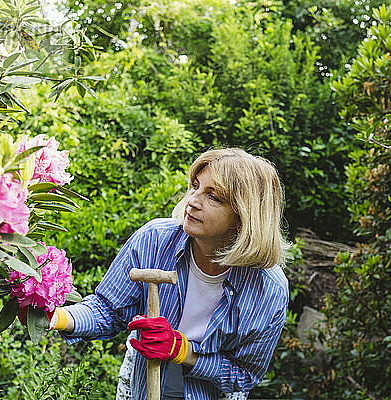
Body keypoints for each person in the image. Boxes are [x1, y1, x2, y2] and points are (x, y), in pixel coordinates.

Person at [50, 148, 290, 400]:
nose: (193, 201)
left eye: (213, 197)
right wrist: (57, 317)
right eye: (195, 186)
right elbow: (108, 309)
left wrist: (181, 350)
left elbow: (244, 375)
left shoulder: (268, 289)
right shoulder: (154, 240)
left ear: (244, 217)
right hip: (144, 384)